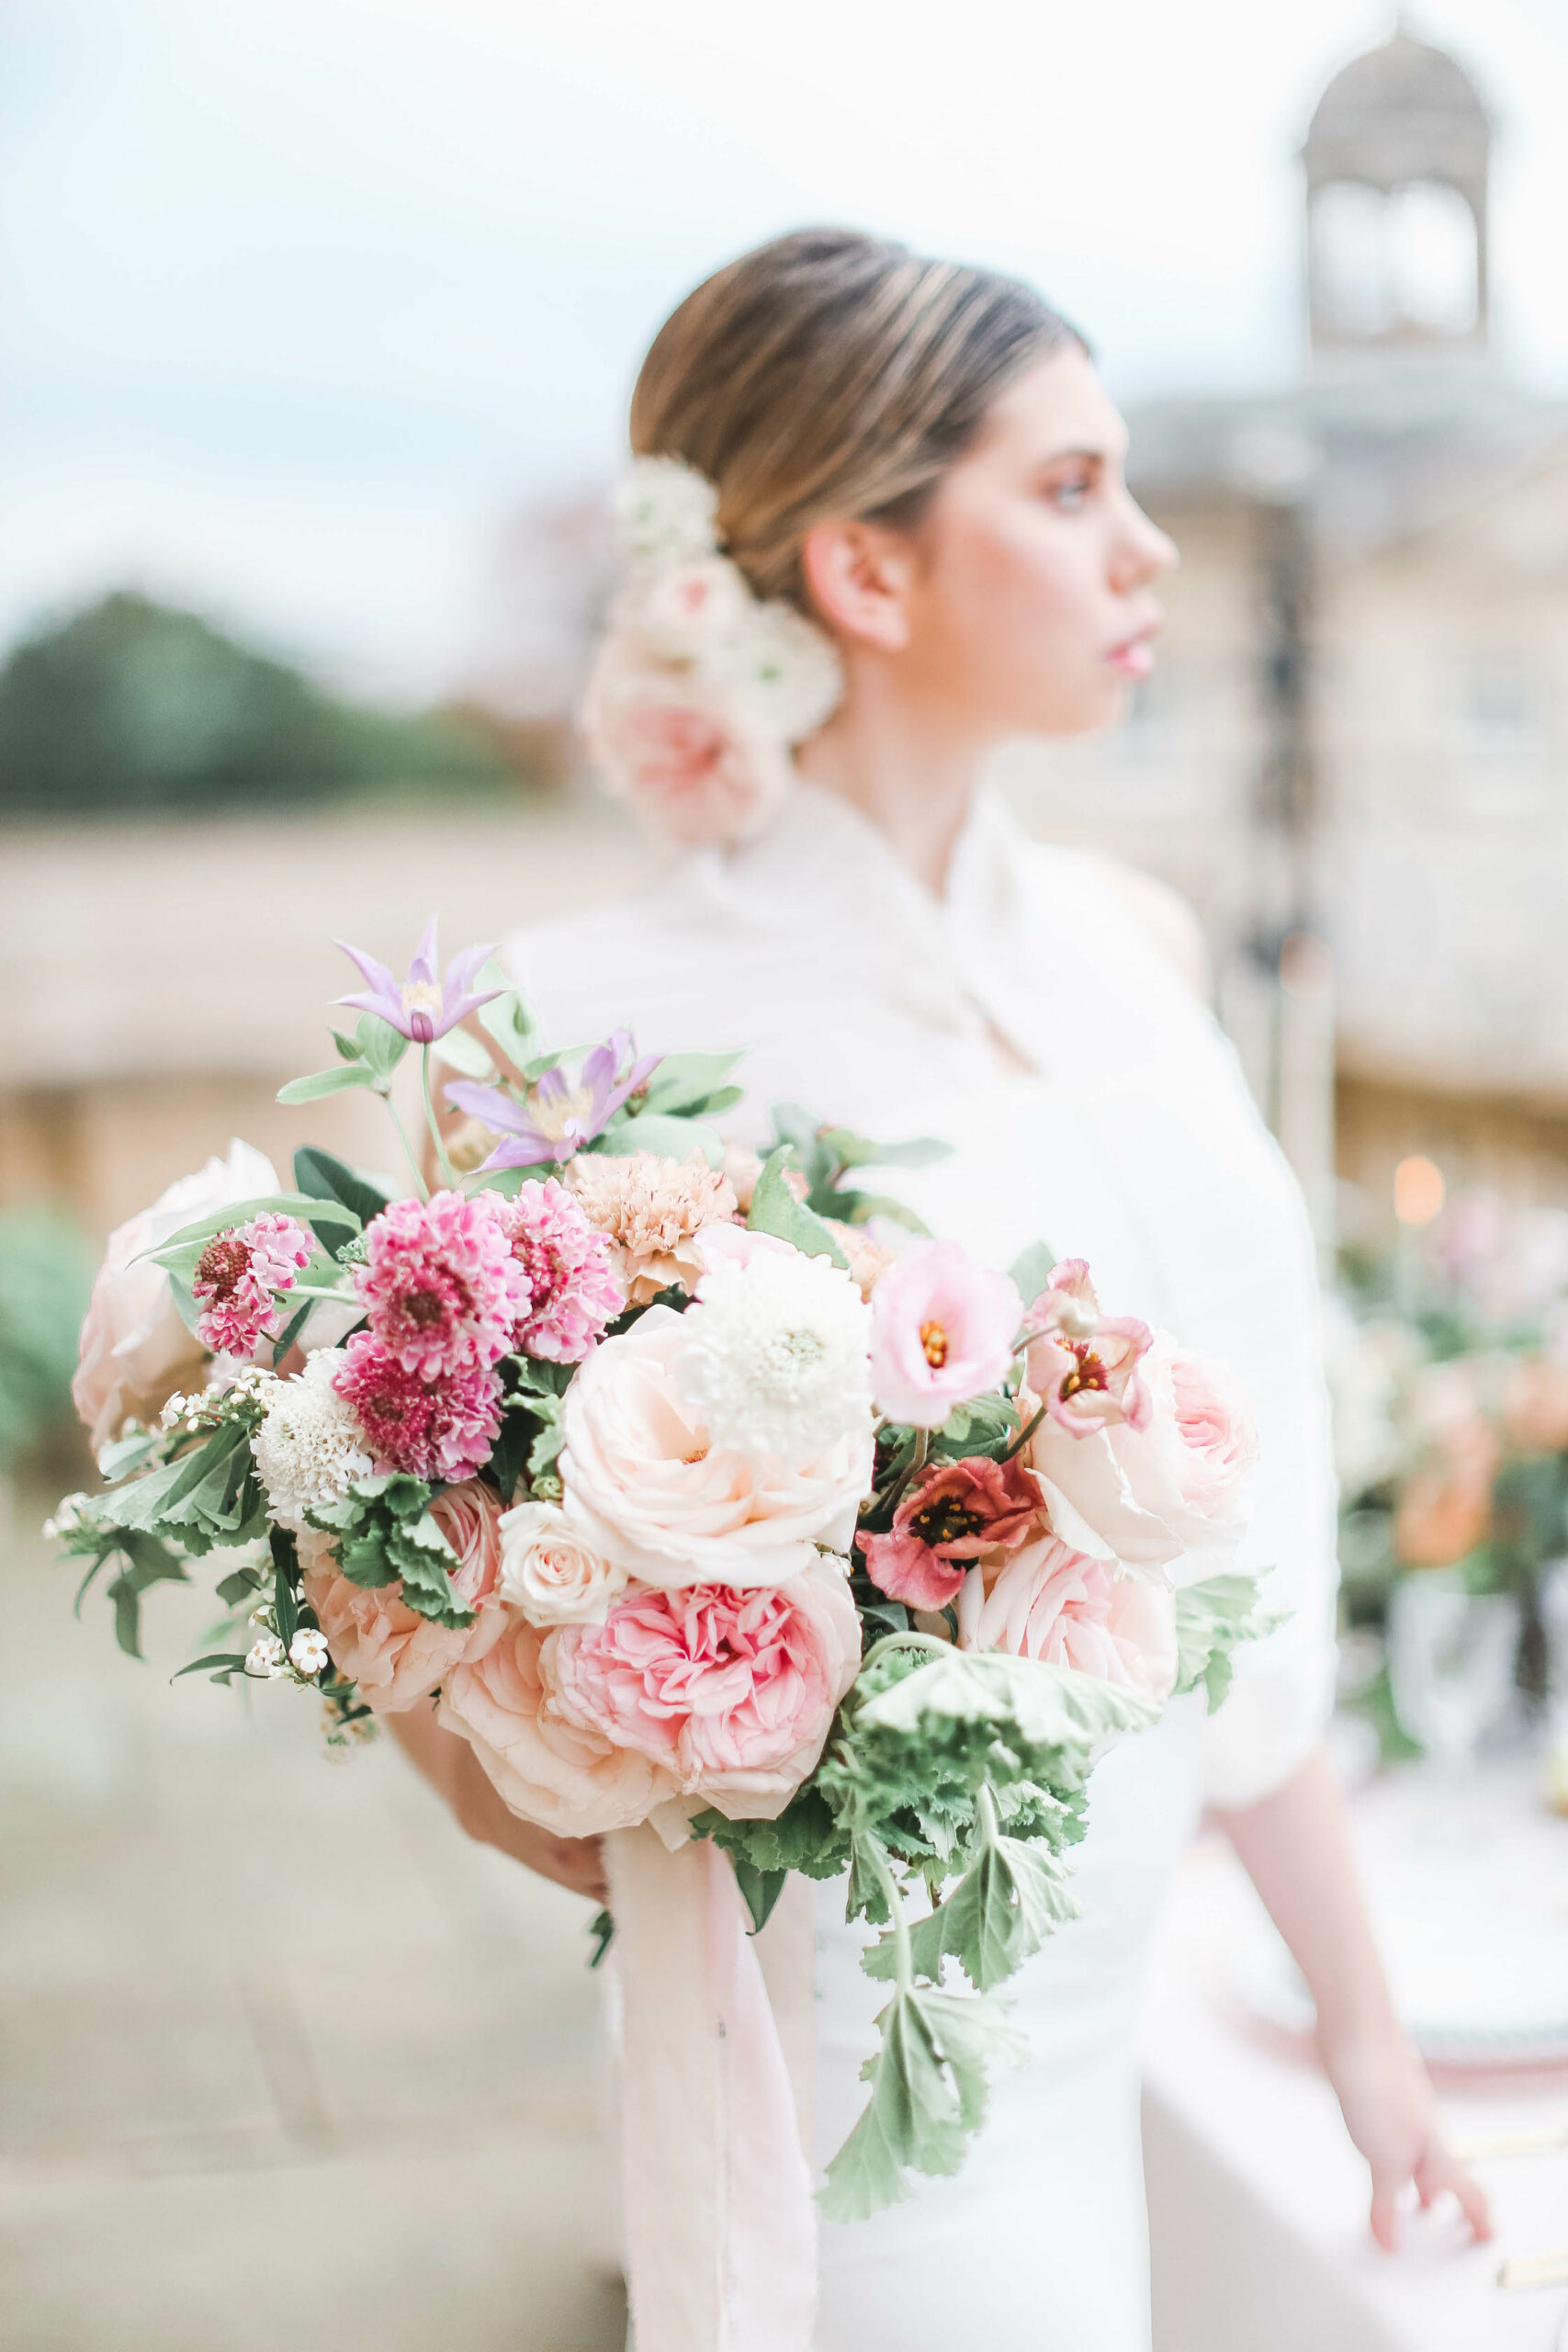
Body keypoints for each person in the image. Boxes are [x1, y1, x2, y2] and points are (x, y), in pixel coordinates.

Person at [392, 227, 1489, 2349]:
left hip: (1134, 1987)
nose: (1147, 546)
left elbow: (1228, 1566)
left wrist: (1359, 2022)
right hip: (852, 2033)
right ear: (865, 573)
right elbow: (460, 1659)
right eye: (1068, 489)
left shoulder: (1136, 947)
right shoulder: (554, 1043)